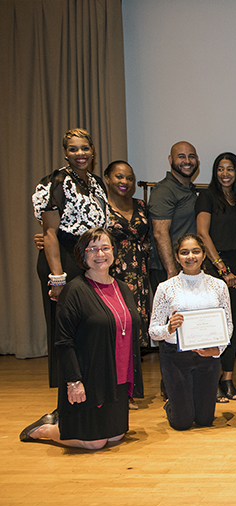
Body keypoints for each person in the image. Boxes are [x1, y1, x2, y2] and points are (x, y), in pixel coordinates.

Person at [20, 228, 142, 449]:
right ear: (82, 255)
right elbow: (64, 342)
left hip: (117, 377)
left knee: (116, 437)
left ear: (113, 252)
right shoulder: (74, 291)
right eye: (92, 249)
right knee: (95, 443)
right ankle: (48, 429)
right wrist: (74, 381)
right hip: (88, 379)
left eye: (105, 248)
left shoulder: (123, 289)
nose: (100, 254)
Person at [32, 128, 110, 388]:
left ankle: (88, 388)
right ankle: (66, 396)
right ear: (65, 153)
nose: (80, 154)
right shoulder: (54, 182)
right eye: (73, 149)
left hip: (89, 260)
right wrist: (57, 279)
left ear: (92, 151)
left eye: (84, 148)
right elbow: (50, 234)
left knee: (89, 329)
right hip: (63, 261)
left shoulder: (97, 183)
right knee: (64, 332)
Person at [148, 234, 232, 430]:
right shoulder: (166, 287)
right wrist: (169, 328)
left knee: (205, 420)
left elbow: (228, 324)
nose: (190, 256)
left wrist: (217, 349)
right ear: (177, 257)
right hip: (176, 357)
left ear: (204, 255)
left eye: (196, 251)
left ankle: (184, 403)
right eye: (184, 253)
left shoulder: (218, 286)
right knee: (182, 423)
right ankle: (174, 404)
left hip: (208, 357)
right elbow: (153, 331)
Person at [195, 152, 236, 402]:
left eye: (230, 169)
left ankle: (227, 379)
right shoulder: (206, 197)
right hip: (216, 267)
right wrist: (222, 269)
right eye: (220, 169)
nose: (225, 174)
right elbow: (202, 234)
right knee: (216, 326)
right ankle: (212, 380)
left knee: (233, 327)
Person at [103, 160, 151, 354]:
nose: (125, 181)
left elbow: (149, 235)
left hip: (139, 272)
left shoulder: (141, 205)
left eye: (129, 178)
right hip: (111, 272)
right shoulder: (100, 206)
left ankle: (131, 376)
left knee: (135, 321)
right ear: (107, 178)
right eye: (119, 176)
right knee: (114, 321)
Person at [149, 141, 200, 289]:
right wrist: (171, 271)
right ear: (171, 159)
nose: (187, 161)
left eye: (191, 157)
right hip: (167, 269)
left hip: (185, 265)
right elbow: (159, 232)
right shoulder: (164, 190)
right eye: (181, 157)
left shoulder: (189, 189)